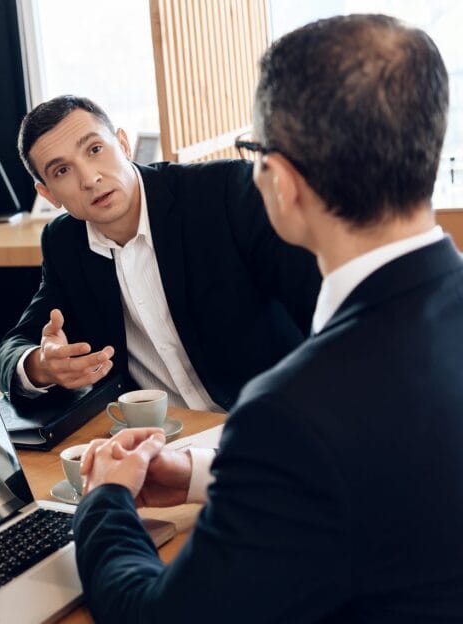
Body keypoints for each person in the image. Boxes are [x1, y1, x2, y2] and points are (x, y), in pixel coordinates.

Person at [75, 14, 463, 622]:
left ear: (280, 182)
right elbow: (384, 484)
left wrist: (105, 503)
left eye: (254, 154)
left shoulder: (293, 410)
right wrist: (205, 475)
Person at [0, 95, 321, 418]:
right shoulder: (64, 242)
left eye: (95, 150)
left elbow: (323, 304)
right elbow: (14, 347)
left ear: (123, 144)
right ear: (48, 194)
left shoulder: (223, 192)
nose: (89, 178)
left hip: (274, 420)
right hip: (159, 439)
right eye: (63, 170)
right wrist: (41, 366)